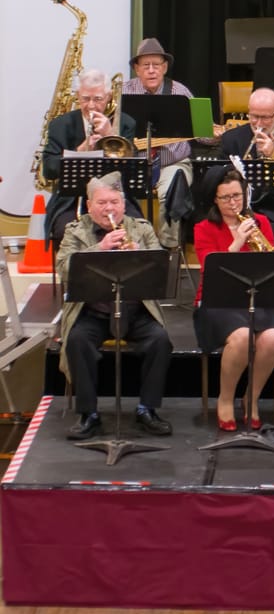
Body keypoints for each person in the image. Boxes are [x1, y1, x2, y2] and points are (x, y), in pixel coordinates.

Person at [56, 172, 173, 441]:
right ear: (89, 206)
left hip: (136, 310)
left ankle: (148, 409)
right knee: (76, 341)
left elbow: (160, 270)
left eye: (114, 202)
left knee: (160, 341)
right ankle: (89, 415)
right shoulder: (76, 231)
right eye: (102, 203)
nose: (109, 209)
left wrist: (139, 257)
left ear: (123, 204)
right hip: (93, 311)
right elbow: (63, 269)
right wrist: (99, 248)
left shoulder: (141, 229)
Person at [193, 167, 274, 431]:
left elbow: (272, 267)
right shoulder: (203, 228)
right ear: (214, 199)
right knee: (243, 336)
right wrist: (236, 243)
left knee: (272, 338)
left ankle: (251, 399)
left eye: (238, 196)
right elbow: (209, 270)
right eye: (226, 198)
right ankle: (225, 398)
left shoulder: (262, 223)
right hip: (216, 300)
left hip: (255, 298)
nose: (233, 203)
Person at [41, 69, 139, 244]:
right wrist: (79, 152)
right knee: (65, 231)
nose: (91, 105)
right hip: (71, 201)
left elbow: (133, 169)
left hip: (114, 199)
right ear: (78, 96)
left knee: (138, 229)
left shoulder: (126, 123)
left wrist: (112, 134)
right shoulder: (60, 125)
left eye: (98, 99)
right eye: (86, 99)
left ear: (109, 97)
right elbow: (49, 169)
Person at [122, 37, 194, 249]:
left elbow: (203, 133)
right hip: (133, 164)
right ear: (137, 69)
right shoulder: (124, 92)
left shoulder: (181, 92)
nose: (152, 70)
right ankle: (132, 247)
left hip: (172, 163)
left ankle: (167, 247)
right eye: (146, 65)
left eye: (156, 65)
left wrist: (217, 133)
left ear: (164, 67)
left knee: (171, 193)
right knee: (114, 193)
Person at [217, 87, 274, 249]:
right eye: (254, 116)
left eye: (265, 117)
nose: (258, 123)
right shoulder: (231, 138)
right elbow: (218, 177)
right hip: (234, 211)